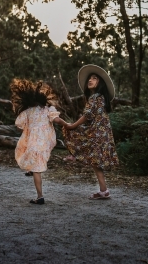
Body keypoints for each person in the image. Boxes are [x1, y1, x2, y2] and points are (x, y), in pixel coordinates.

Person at [60, 64, 119, 200]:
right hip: (101, 132)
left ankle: (75, 153)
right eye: (89, 78)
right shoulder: (100, 98)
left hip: (98, 132)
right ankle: (104, 190)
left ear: (100, 83)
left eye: (94, 78)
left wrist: (71, 125)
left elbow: (87, 116)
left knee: (73, 130)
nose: (90, 80)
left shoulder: (95, 97)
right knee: (95, 160)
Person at [11, 79, 62, 205]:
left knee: (36, 168)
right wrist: (67, 124)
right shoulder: (48, 109)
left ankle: (40, 196)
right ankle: (34, 178)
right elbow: (56, 119)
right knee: (37, 166)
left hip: (33, 143)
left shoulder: (28, 112)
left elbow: (18, 124)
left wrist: (30, 124)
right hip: (45, 142)